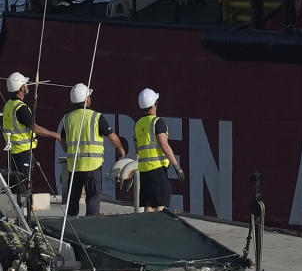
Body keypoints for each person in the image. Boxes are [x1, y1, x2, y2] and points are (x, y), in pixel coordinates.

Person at [59, 83, 126, 216]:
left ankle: (70, 228)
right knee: (93, 200)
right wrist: (121, 149)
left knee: (73, 200)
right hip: (92, 166)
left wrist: (69, 153)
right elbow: (112, 137)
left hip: (74, 166)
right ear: (87, 100)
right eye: (89, 96)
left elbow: (63, 140)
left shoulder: (67, 119)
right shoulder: (96, 117)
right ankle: (91, 226)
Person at [2, 72, 61, 205]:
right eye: (25, 84)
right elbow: (35, 128)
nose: (27, 85)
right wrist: (55, 135)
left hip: (14, 152)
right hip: (22, 153)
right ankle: (24, 216)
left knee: (18, 185)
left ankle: (19, 214)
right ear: (21, 88)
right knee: (23, 186)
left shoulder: (8, 106)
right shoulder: (20, 108)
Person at [135, 88, 183, 212]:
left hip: (144, 170)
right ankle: (159, 230)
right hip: (158, 170)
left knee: (148, 204)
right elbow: (164, 145)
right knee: (160, 205)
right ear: (155, 104)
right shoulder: (158, 122)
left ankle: (147, 230)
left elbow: (137, 148)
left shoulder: (138, 124)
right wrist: (177, 167)